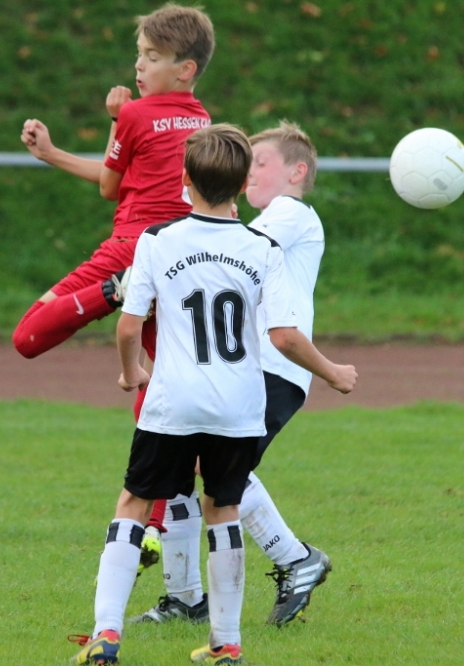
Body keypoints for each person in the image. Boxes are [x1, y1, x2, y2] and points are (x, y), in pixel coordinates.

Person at [69, 124, 357, 665]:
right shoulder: (259, 247)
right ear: (241, 182)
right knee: (221, 509)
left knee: (134, 503)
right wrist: (332, 373)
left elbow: (130, 326)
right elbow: (283, 334)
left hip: (179, 398)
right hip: (238, 403)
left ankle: (107, 634)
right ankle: (223, 639)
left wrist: (132, 373)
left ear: (183, 178)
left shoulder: (162, 239)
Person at [133, 121, 336, 628]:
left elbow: (223, 249)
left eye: (261, 162)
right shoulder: (261, 222)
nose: (251, 173)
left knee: (221, 475)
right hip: (236, 367)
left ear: (297, 172)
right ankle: (184, 597)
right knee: (186, 470)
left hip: (272, 367)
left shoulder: (291, 213)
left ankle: (295, 558)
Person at [13, 4, 214, 360]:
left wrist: (115, 120)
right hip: (181, 253)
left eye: (152, 57)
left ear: (185, 70)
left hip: (132, 247)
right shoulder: (202, 120)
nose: (139, 65)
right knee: (164, 367)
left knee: (28, 335)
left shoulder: (135, 113)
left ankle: (116, 288)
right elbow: (127, 177)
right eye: (139, 53)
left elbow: (109, 187)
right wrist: (53, 153)